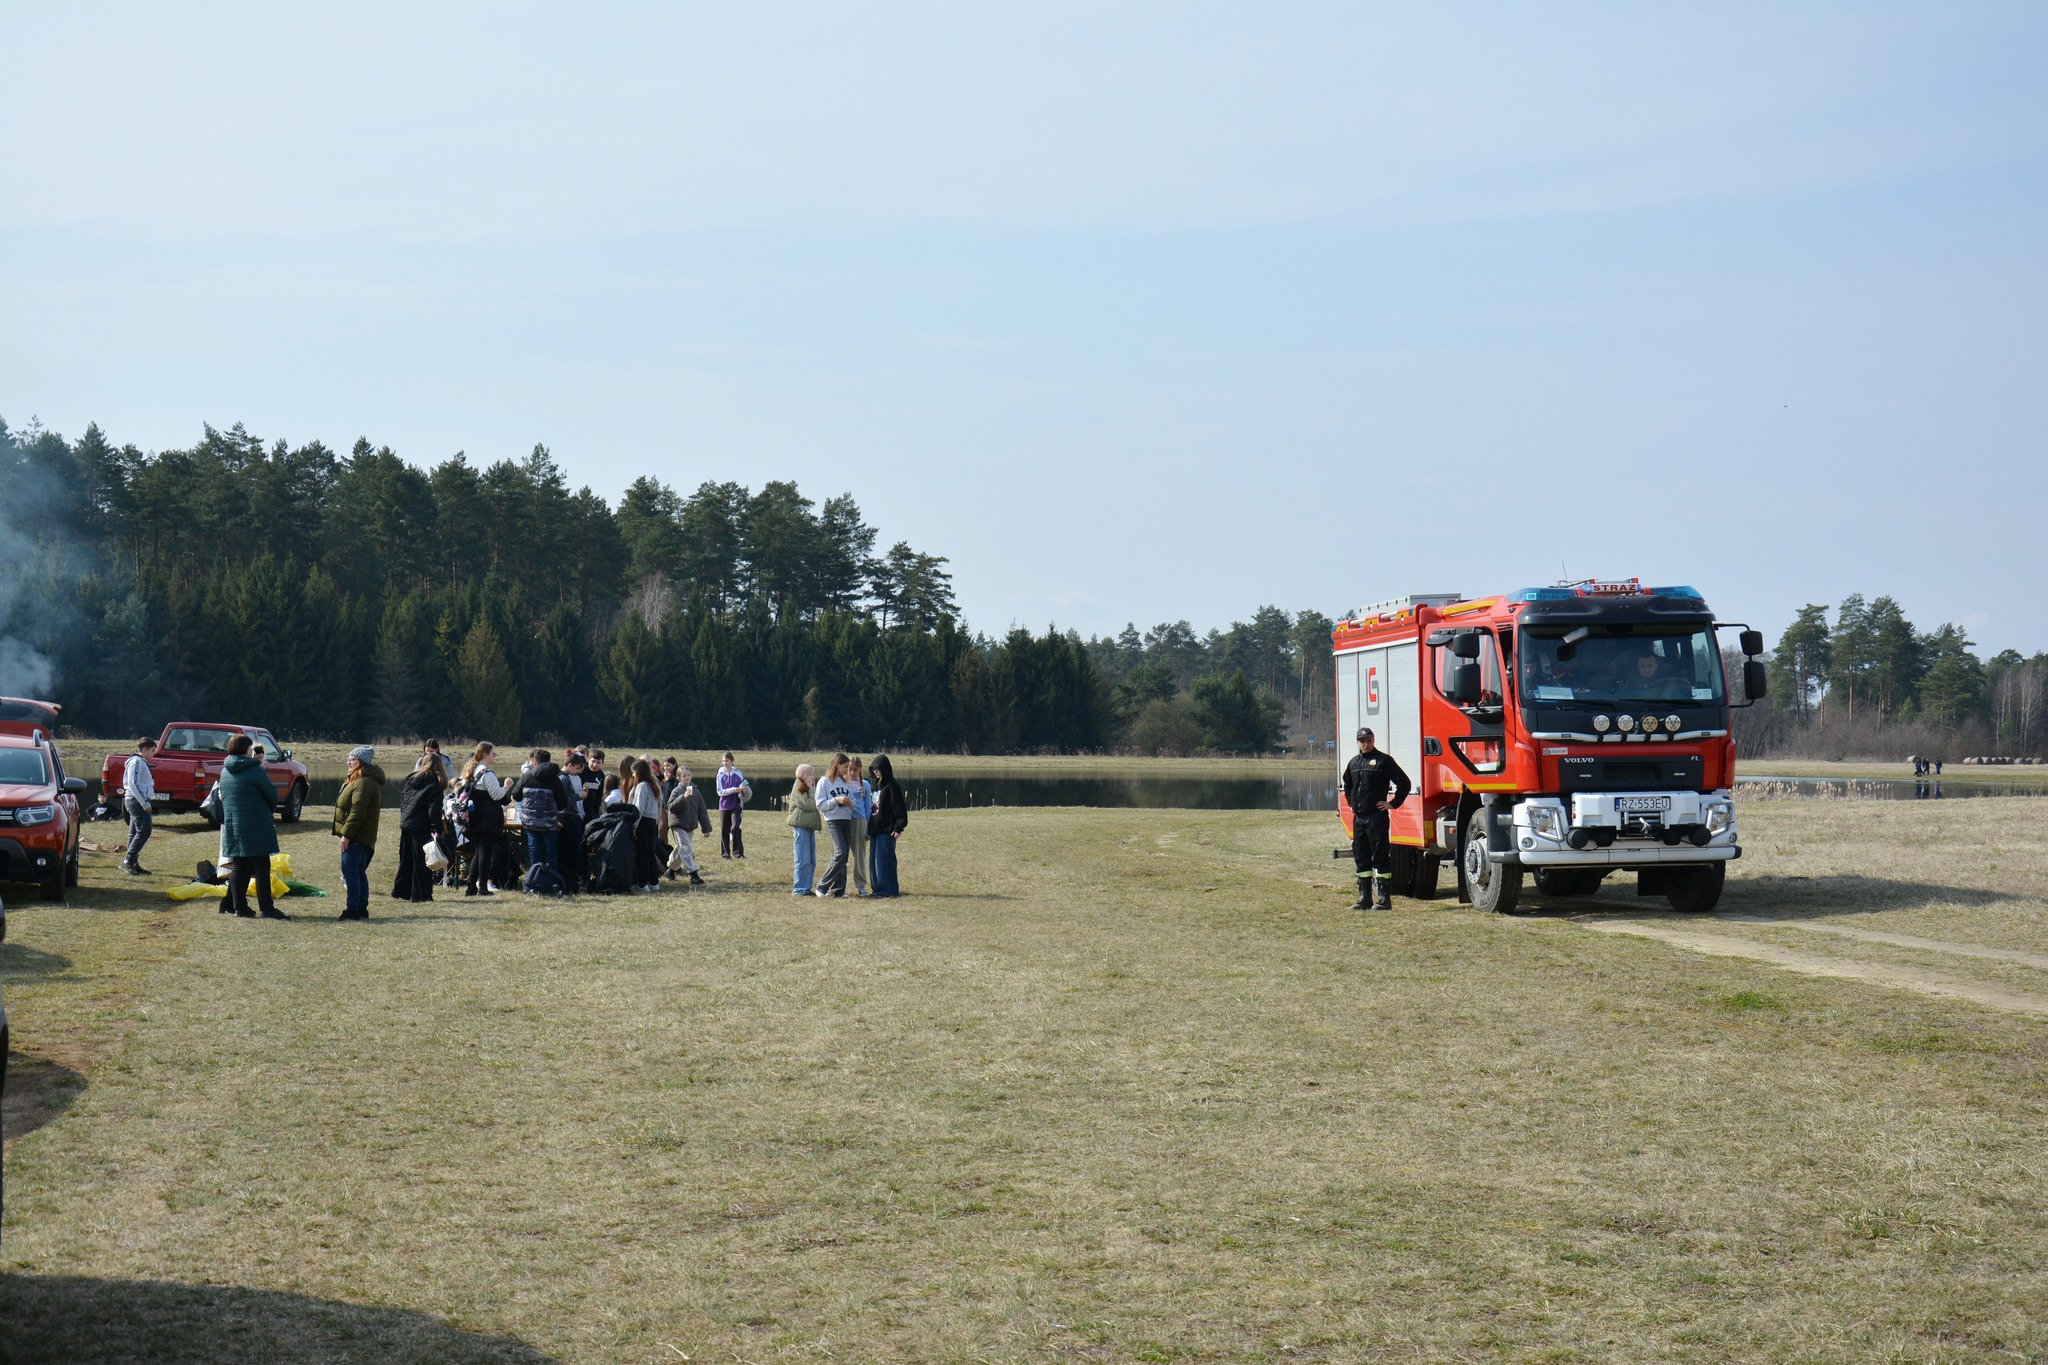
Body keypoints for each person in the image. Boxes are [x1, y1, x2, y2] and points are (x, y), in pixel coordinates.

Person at [1342, 727, 1411, 911]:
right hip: (1359, 818)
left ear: (1374, 740)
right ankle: (1364, 898)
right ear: (1358, 743)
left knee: (1380, 857)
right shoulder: (1353, 763)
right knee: (1361, 857)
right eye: (1363, 741)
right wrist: (1352, 803)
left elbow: (1404, 783)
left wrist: (1393, 803)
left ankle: (1383, 900)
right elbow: (1346, 785)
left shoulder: (1384, 761)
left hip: (1377, 818)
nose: (1366, 744)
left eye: (1369, 740)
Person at [220, 733, 287, 919]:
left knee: (239, 866)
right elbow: (272, 795)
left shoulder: (225, 771)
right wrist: (269, 809)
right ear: (244, 749)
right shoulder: (254, 770)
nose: (252, 750)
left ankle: (239, 908)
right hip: (256, 822)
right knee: (262, 866)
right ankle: (267, 908)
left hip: (234, 823)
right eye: (250, 747)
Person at [332, 744, 386, 920]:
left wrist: (346, 835)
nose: (348, 762)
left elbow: (358, 812)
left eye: (352, 759)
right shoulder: (359, 779)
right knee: (358, 870)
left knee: (350, 870)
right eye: (348, 758)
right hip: (361, 834)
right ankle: (361, 908)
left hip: (358, 835)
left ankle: (353, 909)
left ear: (362, 762)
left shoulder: (364, 782)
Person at [510, 748, 572, 886]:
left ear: (534, 761)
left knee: (534, 852)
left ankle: (534, 882)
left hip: (530, 822)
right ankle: (552, 883)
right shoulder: (555, 779)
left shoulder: (526, 777)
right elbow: (563, 803)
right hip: (549, 822)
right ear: (549, 761)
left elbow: (515, 795)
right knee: (550, 853)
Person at [390, 753, 446, 903]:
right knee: (421, 861)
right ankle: (421, 894)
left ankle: (401, 890)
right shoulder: (434, 784)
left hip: (407, 822)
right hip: (421, 825)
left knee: (406, 858)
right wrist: (436, 829)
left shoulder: (411, 780)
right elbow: (433, 809)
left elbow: (404, 801)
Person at [460, 743, 508, 897]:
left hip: (475, 818)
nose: (495, 756)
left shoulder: (472, 770)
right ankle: (482, 888)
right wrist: (507, 786)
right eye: (493, 754)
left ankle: (470, 887)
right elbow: (497, 795)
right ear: (486, 754)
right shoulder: (487, 773)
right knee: (485, 854)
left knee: (478, 854)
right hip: (486, 819)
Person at [814, 753, 857, 897]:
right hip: (833, 821)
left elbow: (854, 803)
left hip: (846, 820)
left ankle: (838, 890)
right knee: (841, 852)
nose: (847, 770)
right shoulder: (824, 782)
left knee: (843, 856)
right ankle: (822, 886)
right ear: (837, 765)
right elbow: (820, 805)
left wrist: (850, 802)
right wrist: (836, 800)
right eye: (845, 767)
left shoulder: (845, 783)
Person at [867, 755, 908, 897]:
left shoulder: (892, 785)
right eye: (874, 770)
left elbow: (899, 808)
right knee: (874, 862)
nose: (876, 772)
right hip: (875, 829)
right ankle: (877, 889)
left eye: (878, 769)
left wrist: (898, 827)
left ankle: (888, 890)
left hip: (887, 829)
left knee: (884, 861)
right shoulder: (875, 786)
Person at [665, 765, 711, 886]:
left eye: (688, 775)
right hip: (678, 825)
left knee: (680, 851)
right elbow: (671, 807)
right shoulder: (677, 791)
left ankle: (670, 870)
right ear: (679, 778)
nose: (687, 777)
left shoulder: (696, 792)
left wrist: (706, 828)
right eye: (683, 776)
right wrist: (683, 797)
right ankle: (693, 874)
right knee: (686, 848)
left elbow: (702, 811)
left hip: (690, 826)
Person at [120, 736, 158, 876]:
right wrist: (144, 802)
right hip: (136, 801)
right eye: (153, 750)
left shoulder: (141, 762)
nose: (154, 753)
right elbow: (133, 783)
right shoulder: (136, 762)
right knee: (144, 831)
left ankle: (133, 863)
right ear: (144, 749)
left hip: (136, 800)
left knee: (134, 832)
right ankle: (128, 861)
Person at [628, 758, 664, 890]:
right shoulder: (653, 784)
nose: (632, 775)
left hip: (643, 821)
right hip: (652, 822)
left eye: (633, 772)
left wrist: (634, 825)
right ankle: (654, 882)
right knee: (650, 852)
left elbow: (639, 807)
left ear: (638, 772)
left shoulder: (642, 786)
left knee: (643, 853)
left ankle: (643, 883)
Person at [786, 763, 821, 895]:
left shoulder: (806, 787)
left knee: (811, 859)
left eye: (813, 774)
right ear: (803, 775)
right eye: (810, 774)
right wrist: (812, 789)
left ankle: (807, 887)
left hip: (808, 826)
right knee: (802, 858)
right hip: (801, 827)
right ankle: (800, 889)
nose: (813, 777)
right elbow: (809, 804)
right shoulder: (799, 787)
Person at [559, 751, 590, 891]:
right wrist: (580, 796)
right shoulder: (564, 779)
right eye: (577, 769)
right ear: (570, 765)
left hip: (569, 817)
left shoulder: (564, 777)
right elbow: (565, 801)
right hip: (568, 817)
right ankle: (571, 882)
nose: (578, 773)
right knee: (571, 851)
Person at [846, 755, 873, 896]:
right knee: (840, 854)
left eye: (855, 770)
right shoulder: (842, 782)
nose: (852, 773)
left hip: (859, 821)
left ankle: (861, 886)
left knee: (860, 855)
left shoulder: (865, 785)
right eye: (849, 769)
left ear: (860, 770)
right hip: (844, 820)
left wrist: (868, 827)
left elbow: (868, 807)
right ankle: (838, 886)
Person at [716, 752, 748, 859]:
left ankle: (738, 853)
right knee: (724, 829)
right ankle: (725, 854)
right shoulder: (720, 775)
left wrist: (743, 790)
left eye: (727, 761)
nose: (725, 763)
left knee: (735, 827)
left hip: (736, 805)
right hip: (724, 806)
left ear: (732, 761)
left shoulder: (738, 773)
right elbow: (720, 792)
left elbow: (744, 786)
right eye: (723, 761)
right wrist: (733, 790)